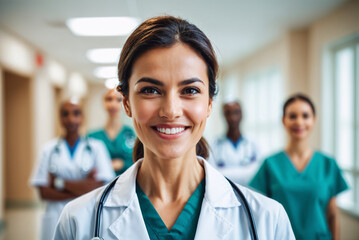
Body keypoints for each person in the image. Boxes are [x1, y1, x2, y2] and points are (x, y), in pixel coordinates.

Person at [53, 16, 294, 240]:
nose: (171, 110)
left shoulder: (267, 221)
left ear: (209, 103)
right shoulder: (78, 221)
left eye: (190, 91)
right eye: (150, 90)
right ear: (126, 102)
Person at [249, 93, 348, 240]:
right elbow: (260, 214)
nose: (299, 122)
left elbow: (332, 214)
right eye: (293, 116)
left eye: (305, 116)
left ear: (313, 119)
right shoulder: (270, 164)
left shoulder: (328, 164)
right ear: (284, 120)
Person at [30, 99, 115, 240]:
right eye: (65, 114)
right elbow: (44, 192)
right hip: (55, 214)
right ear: (60, 118)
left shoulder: (96, 148)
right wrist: (84, 188)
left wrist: (59, 183)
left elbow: (100, 188)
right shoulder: (48, 150)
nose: (71, 119)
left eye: (76, 113)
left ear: (82, 117)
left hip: (86, 214)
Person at [209, 99, 260, 186]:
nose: (233, 117)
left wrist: (224, 173)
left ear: (242, 115)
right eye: (228, 113)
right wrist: (247, 171)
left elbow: (259, 173)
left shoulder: (253, 143)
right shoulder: (214, 145)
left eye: (236, 112)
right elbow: (213, 175)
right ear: (223, 116)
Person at [89, 88, 136, 175]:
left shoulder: (130, 134)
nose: (113, 104)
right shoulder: (93, 137)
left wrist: (122, 164)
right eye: (109, 99)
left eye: (119, 100)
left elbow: (137, 162)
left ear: (125, 103)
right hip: (101, 185)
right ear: (103, 103)